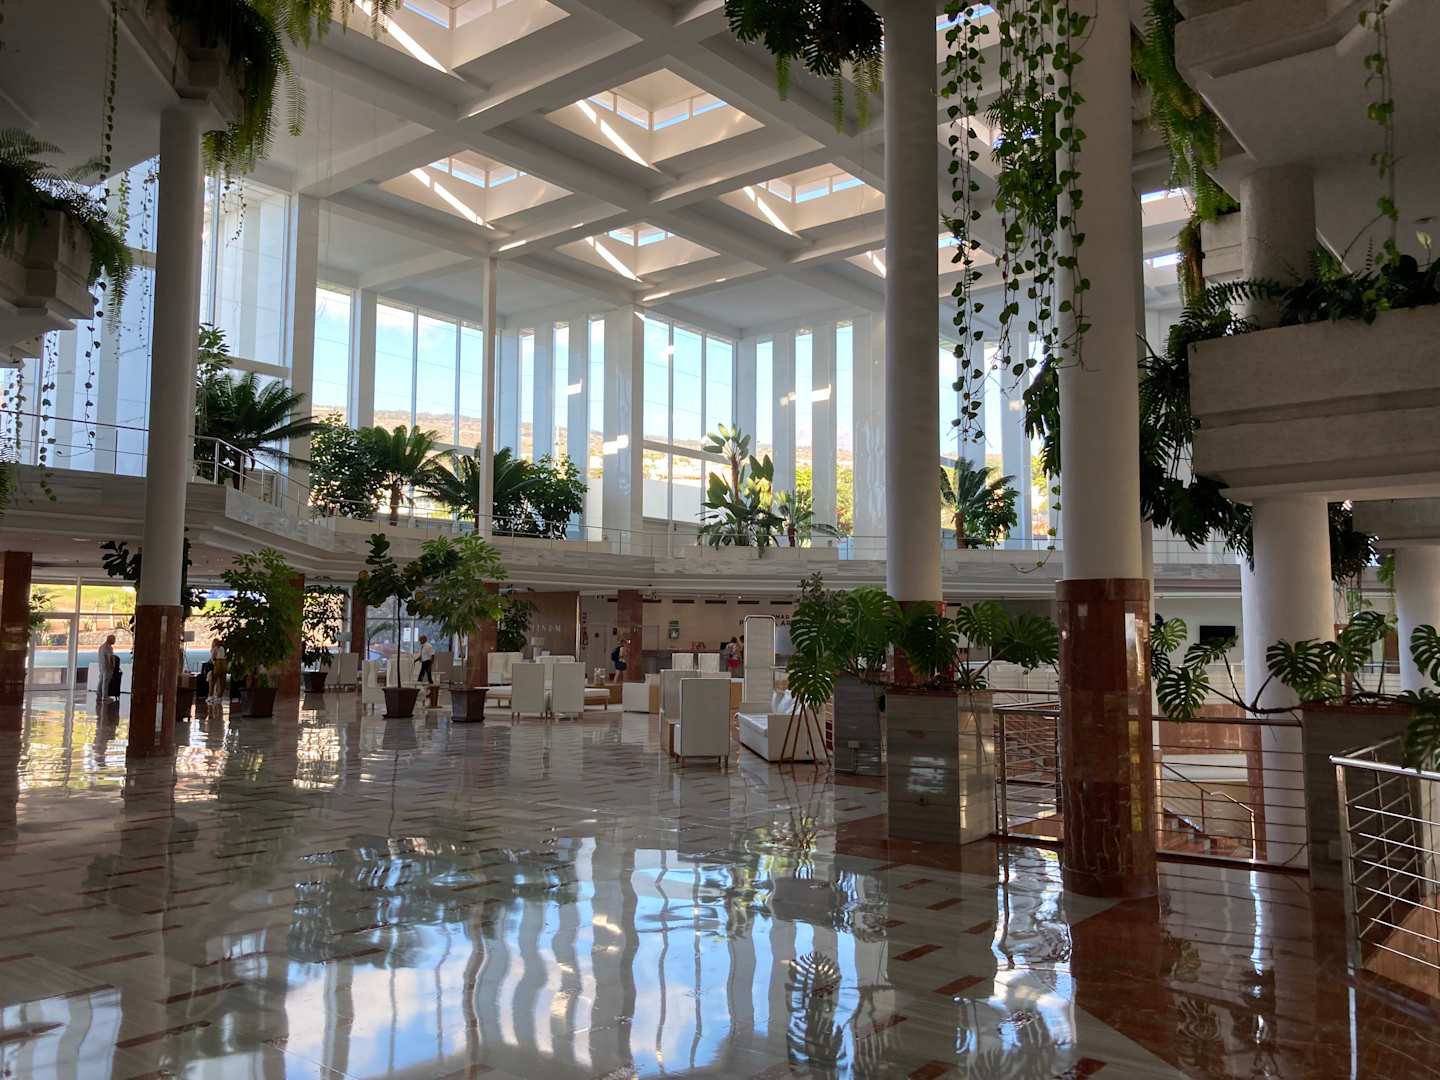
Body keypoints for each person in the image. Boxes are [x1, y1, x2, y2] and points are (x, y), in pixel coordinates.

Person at [96, 634, 118, 701]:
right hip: (107, 667)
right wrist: (112, 665)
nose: (115, 641)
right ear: (110, 640)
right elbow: (109, 657)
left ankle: (99, 694)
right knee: (106, 681)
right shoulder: (108, 647)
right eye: (114, 640)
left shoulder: (101, 646)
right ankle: (105, 696)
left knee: (101, 680)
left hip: (101, 666)